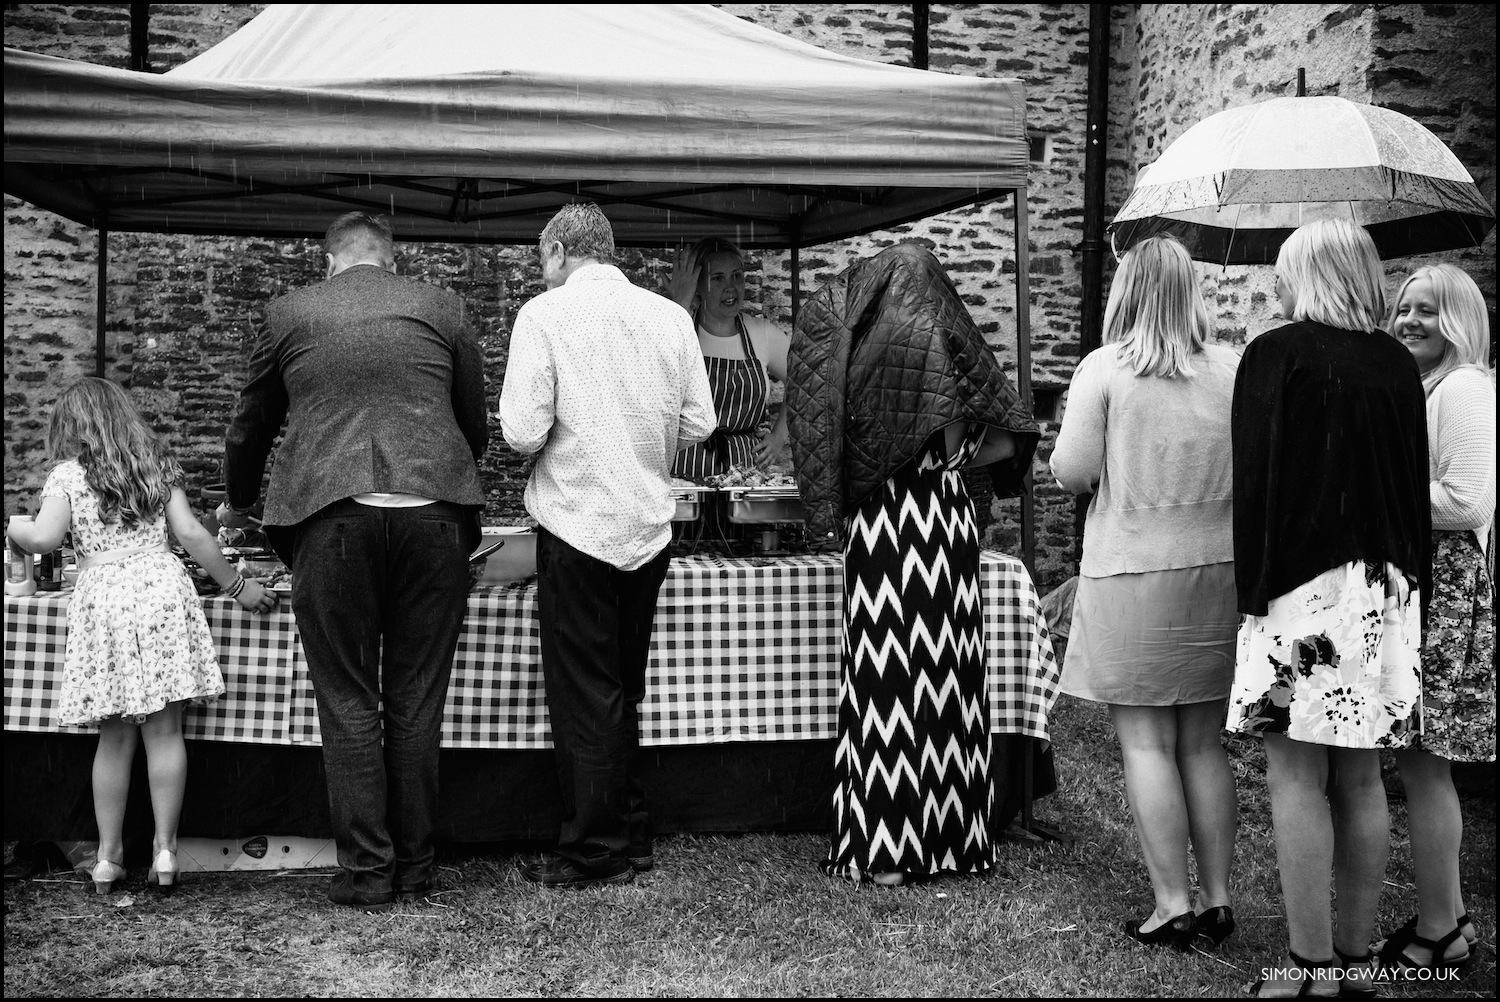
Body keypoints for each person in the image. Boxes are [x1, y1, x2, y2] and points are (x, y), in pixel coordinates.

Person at [221, 211, 489, 911]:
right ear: (388, 260)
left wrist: (238, 503)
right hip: (434, 514)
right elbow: (473, 421)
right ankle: (418, 865)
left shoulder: (290, 312)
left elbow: (252, 423)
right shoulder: (442, 306)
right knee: (416, 698)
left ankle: (368, 872)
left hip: (330, 514)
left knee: (346, 699)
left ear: (331, 260)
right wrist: (438, 474)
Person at [786, 241, 1039, 885]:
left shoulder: (856, 366)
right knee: (947, 678)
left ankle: (887, 848)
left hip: (881, 527)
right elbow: (1009, 437)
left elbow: (825, 448)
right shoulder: (948, 359)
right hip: (946, 525)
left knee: (884, 684)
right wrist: (954, 455)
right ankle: (953, 842)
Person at [1226, 218, 1429, 998]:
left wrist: (1253, 600)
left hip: (1302, 595)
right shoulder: (1395, 365)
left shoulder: (1274, 354)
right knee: (1362, 777)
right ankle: (1351, 960)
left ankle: (1306, 972)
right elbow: (1410, 489)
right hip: (1385, 591)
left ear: (1304, 275)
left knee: (1294, 777)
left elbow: (1256, 486)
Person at [499, 202, 716, 888]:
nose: (544, 273)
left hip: (577, 526)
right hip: (649, 530)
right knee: (622, 690)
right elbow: (701, 424)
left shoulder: (545, 315)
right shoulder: (669, 317)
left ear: (561, 249)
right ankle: (630, 835)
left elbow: (521, 433)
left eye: (544, 260)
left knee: (585, 695)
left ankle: (595, 850)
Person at [6, 377, 276, 895]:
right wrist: (237, 586)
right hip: (160, 588)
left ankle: (108, 858)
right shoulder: (155, 464)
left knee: (114, 738)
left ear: (75, 424)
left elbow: (44, 539)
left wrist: (13, 529)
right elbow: (193, 534)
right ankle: (167, 851)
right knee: (165, 733)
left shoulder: (67, 475)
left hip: (104, 596)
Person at [1050, 235, 1240, 950]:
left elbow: (1072, 470)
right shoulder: (1231, 368)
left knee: (1146, 744)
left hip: (1131, 570)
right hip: (1218, 569)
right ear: (1192, 293)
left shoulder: (1107, 369)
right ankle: (1219, 898)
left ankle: (1172, 902)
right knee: (1202, 743)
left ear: (1126, 292)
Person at [1373, 263, 1495, 973]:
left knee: (1426, 766)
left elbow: (1467, 503)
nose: (1410, 321)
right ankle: (1444, 917)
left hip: (1443, 593)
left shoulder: (1467, 388)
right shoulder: (1427, 387)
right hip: (1419, 586)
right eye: (1404, 308)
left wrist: (1375, 485)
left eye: (1428, 310)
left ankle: (1442, 929)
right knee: (1421, 766)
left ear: (1460, 321)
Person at [664, 236, 792, 477]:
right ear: (697, 285)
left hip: (743, 479)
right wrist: (679, 303)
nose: (731, 287)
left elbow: (804, 379)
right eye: (717, 278)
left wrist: (778, 438)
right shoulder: (677, 331)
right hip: (682, 477)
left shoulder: (762, 334)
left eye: (736, 276)